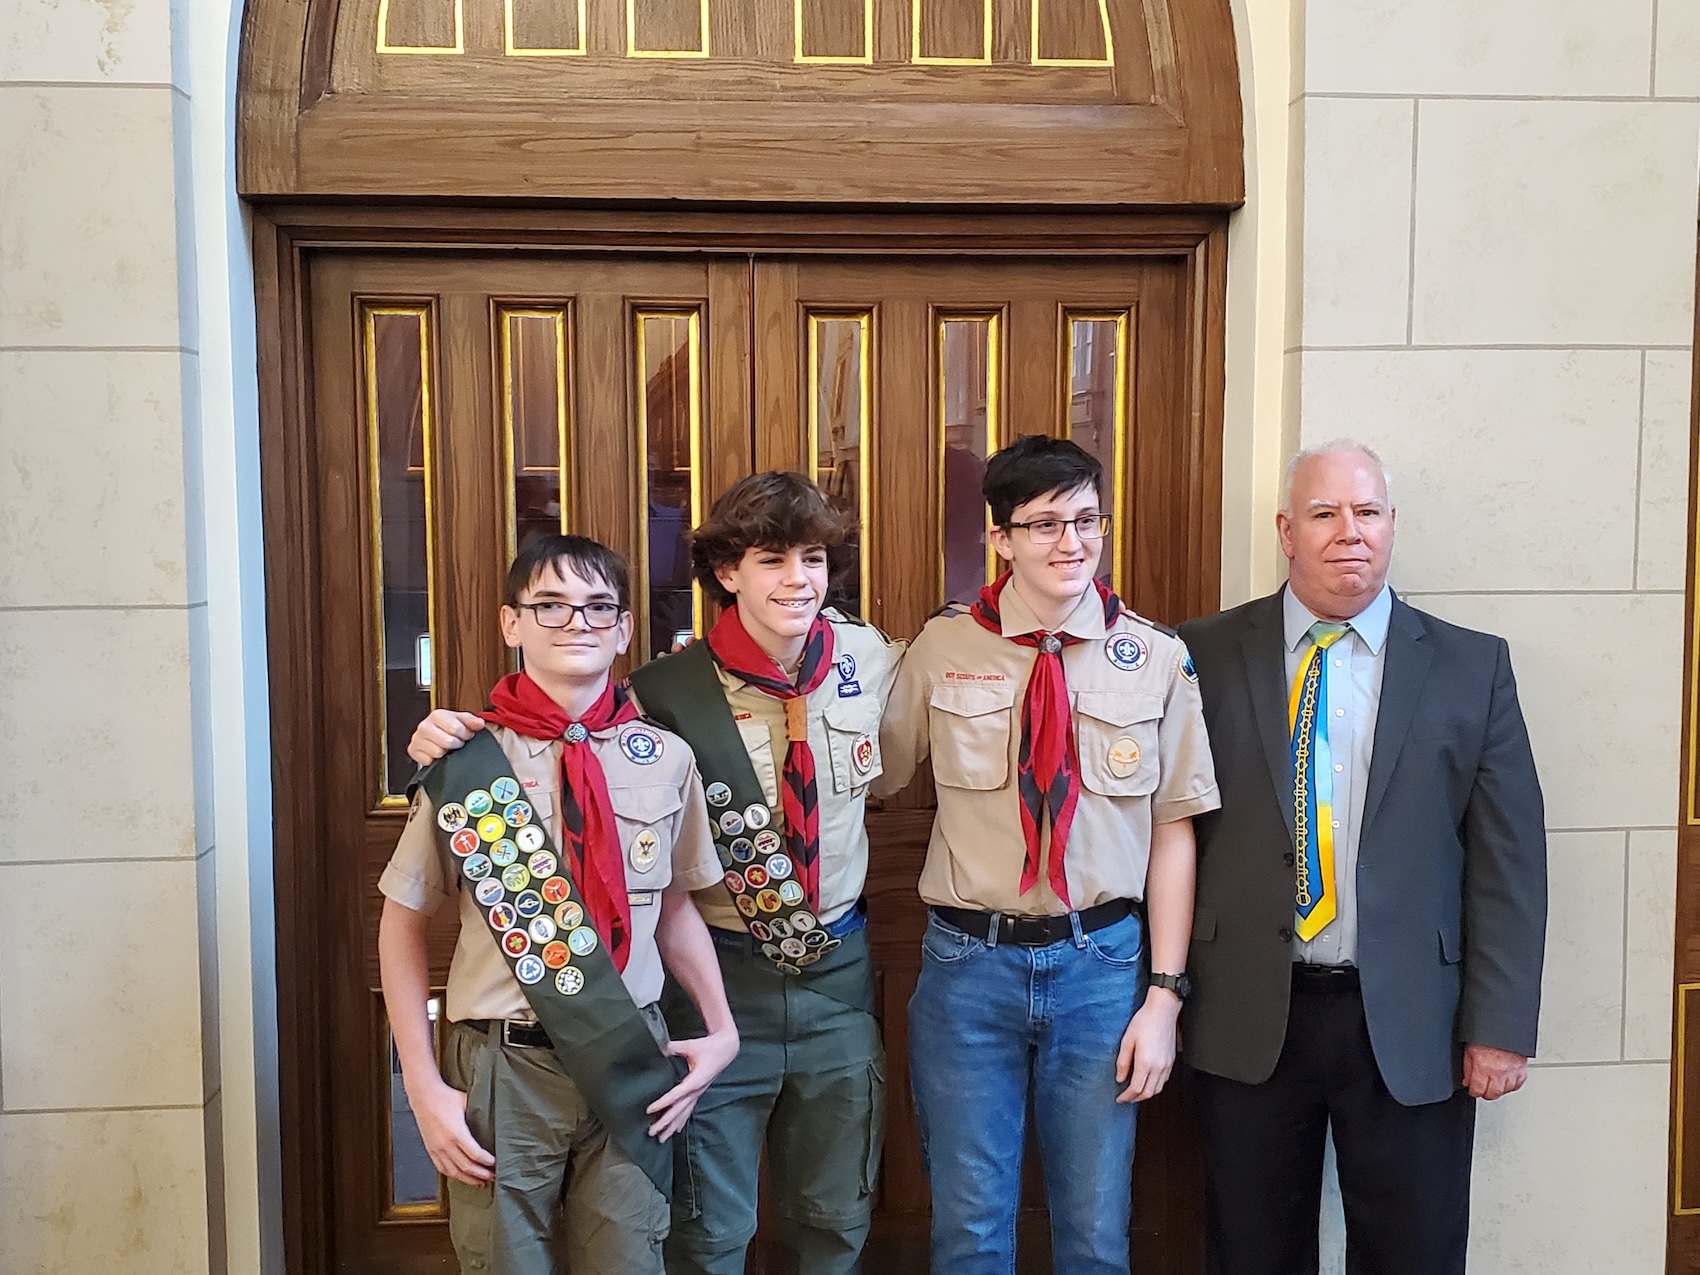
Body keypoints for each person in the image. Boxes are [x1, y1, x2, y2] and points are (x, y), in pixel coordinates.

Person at [408, 473, 903, 1275]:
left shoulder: (871, 658)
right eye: (770, 558)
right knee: (705, 1228)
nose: (796, 578)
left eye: (812, 558)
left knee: (835, 1212)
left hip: (836, 976)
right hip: (707, 979)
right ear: (728, 572)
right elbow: (576, 754)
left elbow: (899, 772)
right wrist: (444, 736)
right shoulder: (662, 697)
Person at [1178, 440, 1548, 1275]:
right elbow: (1167, 834)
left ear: (1391, 524)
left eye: (1368, 511)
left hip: (1414, 1022)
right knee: (1250, 1252)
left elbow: (1510, 861)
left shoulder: (1472, 665)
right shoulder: (1201, 653)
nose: (1350, 531)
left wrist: (1498, 1026)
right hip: (1246, 1014)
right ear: (1286, 530)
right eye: (1325, 513)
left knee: (1414, 1253)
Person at [876, 435, 1219, 1274]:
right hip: (968, 966)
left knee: (1096, 1233)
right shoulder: (943, 648)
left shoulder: (1157, 656)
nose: (1072, 542)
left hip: (1102, 967)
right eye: (1045, 524)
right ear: (1000, 538)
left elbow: (1174, 828)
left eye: (1087, 519)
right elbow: (871, 775)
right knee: (969, 1230)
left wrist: (1165, 995)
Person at [379, 534, 739, 1274]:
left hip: (631, 1056)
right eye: (551, 605)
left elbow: (673, 908)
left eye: (598, 606)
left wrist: (723, 1030)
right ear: (511, 623)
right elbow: (402, 921)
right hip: (505, 1067)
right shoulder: (466, 761)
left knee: (629, 1259)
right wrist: (421, 1084)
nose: (577, 621)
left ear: (624, 628)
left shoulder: (666, 757)